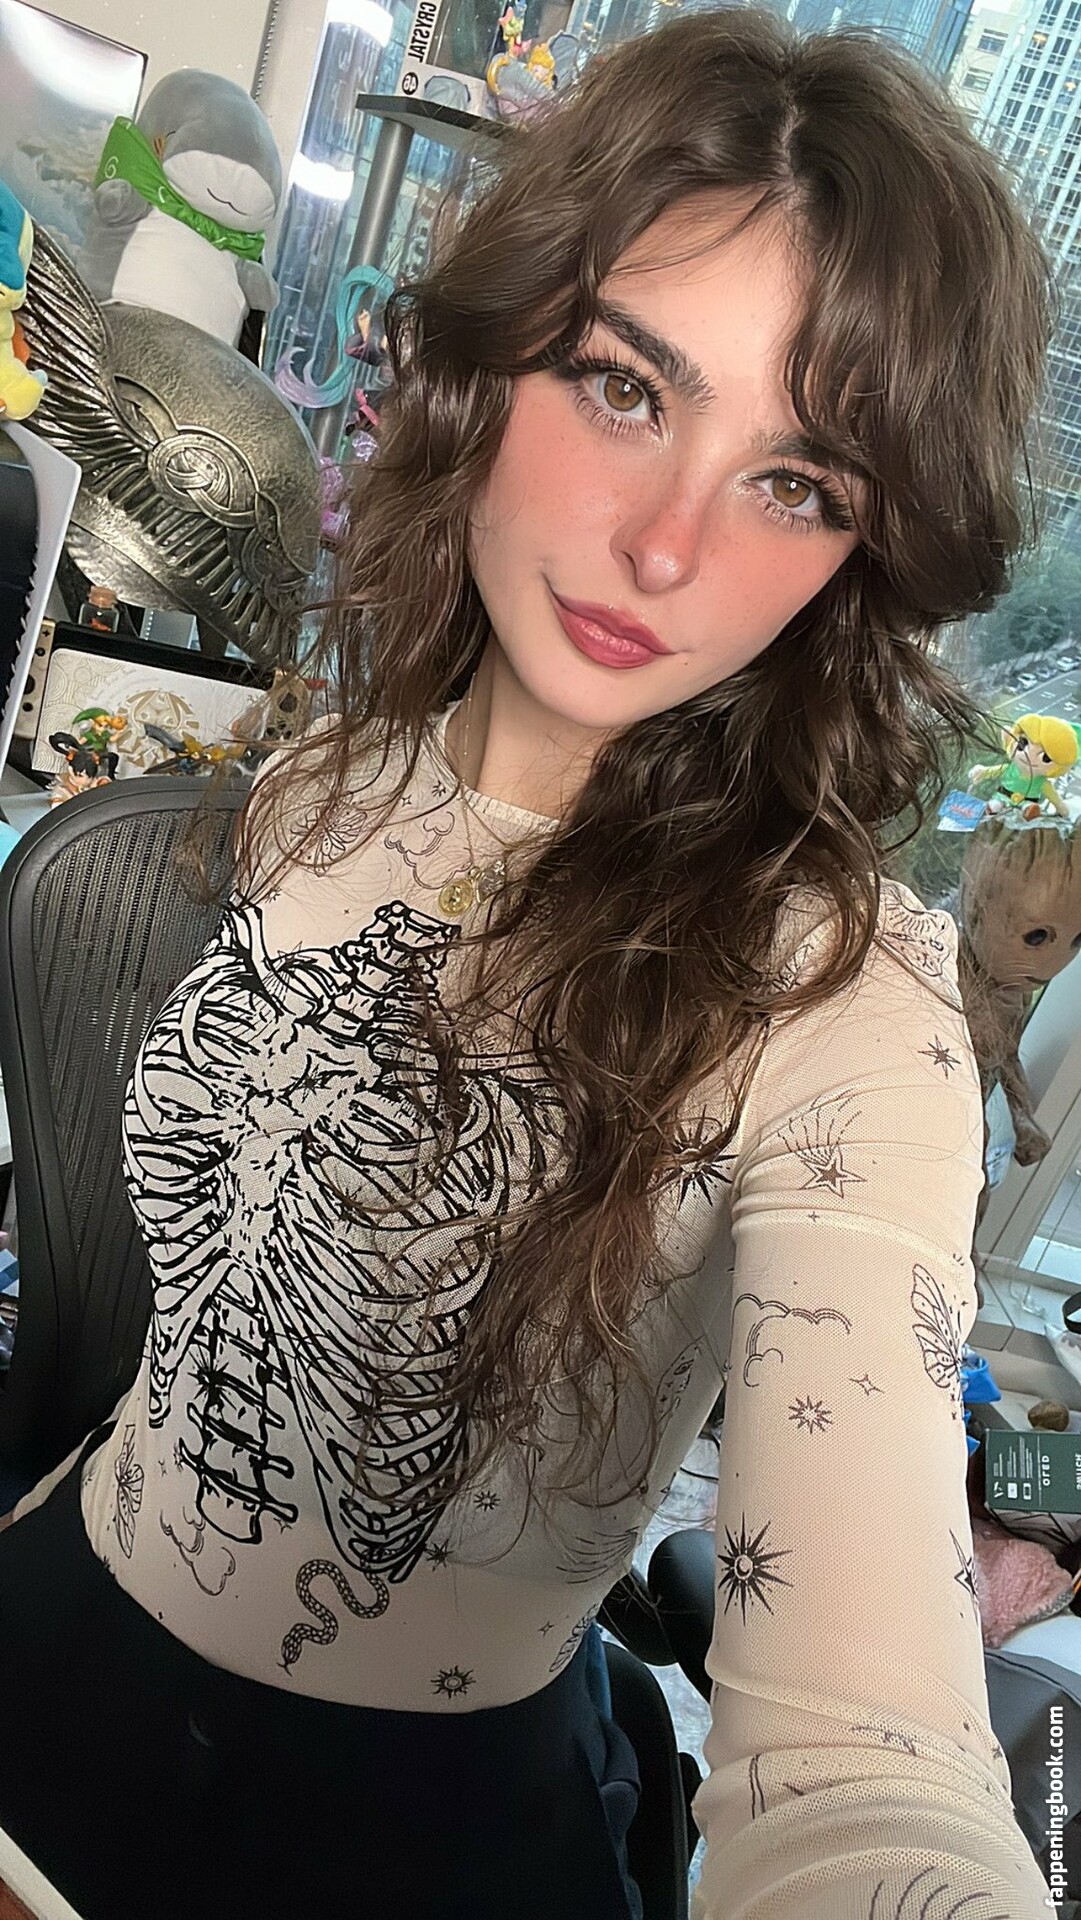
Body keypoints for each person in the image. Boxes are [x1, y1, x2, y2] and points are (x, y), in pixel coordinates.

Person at [0, 10, 1057, 1918]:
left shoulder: (845, 999)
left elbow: (866, 1757)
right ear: (493, 361)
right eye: (626, 387)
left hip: (410, 1839)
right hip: (47, 1632)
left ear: (863, 553)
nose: (664, 546)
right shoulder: (327, 778)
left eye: (797, 483)